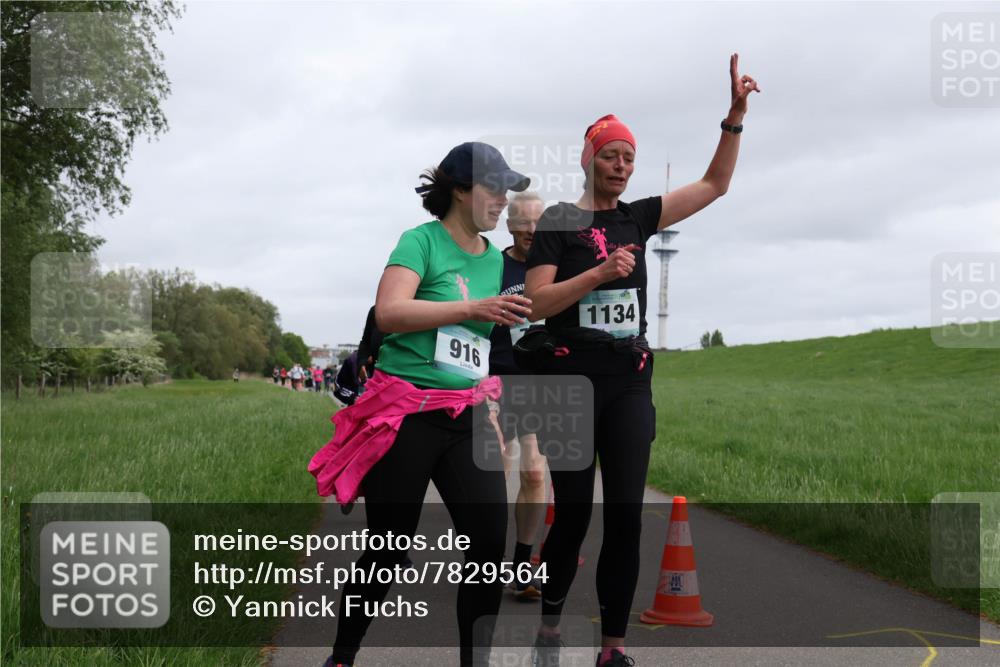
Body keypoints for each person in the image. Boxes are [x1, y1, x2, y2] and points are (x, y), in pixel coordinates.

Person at [522, 55, 759, 667]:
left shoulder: (640, 216)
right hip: (569, 382)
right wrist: (599, 273)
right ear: (588, 159)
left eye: (629, 157)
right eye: (611, 155)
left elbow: (715, 186)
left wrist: (733, 119)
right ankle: (550, 628)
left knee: (625, 514)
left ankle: (612, 648)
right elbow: (538, 303)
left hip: (628, 380)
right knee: (572, 515)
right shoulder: (559, 222)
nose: (622, 166)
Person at [309, 141, 532, 667]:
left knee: (486, 548)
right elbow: (388, 312)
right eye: (493, 189)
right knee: (387, 551)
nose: (503, 201)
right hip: (405, 414)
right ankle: (341, 658)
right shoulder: (420, 243)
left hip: (467, 414)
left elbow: (490, 343)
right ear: (460, 190)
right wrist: (470, 307)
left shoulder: (496, 262)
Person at [487, 191, 548, 601]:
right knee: (494, 471)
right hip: (493, 378)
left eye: (539, 223)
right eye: (523, 223)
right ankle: (486, 560)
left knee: (534, 473)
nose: (531, 231)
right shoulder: (494, 264)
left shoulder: (557, 265)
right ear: (510, 226)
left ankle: (523, 564)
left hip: (538, 383)